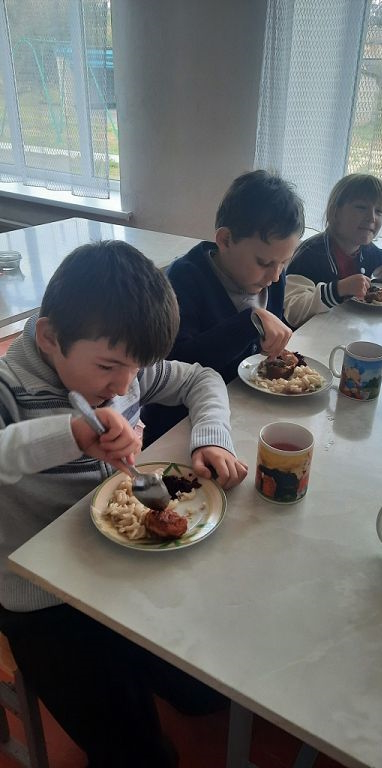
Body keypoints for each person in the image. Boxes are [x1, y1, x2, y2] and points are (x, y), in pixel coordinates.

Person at [0, 240, 248, 768]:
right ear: (49, 338)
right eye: (110, 367)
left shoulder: (125, 367)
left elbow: (201, 377)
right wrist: (70, 434)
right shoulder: (10, 389)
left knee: (209, 693)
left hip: (119, 567)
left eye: (137, 368)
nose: (123, 386)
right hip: (42, 598)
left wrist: (211, 437)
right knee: (139, 755)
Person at [144, 170, 305, 445]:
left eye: (284, 262)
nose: (276, 275)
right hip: (179, 429)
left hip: (244, 417)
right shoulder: (183, 280)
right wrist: (249, 322)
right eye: (264, 262)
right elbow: (176, 364)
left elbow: (261, 350)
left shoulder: (273, 279)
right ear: (225, 240)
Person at [284, 173, 382, 328]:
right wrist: (338, 289)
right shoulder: (310, 254)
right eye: (361, 207)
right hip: (306, 339)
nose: (372, 218)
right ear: (335, 213)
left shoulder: (367, 252)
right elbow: (293, 311)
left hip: (344, 333)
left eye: (379, 211)